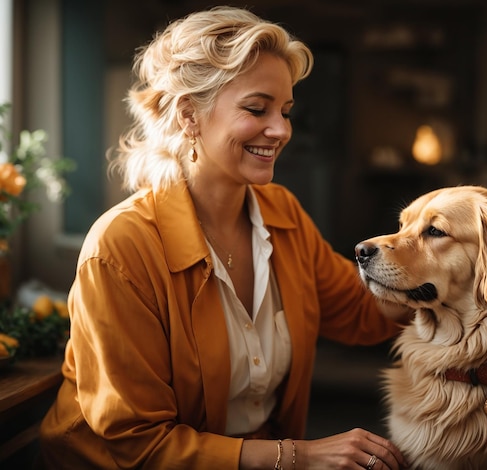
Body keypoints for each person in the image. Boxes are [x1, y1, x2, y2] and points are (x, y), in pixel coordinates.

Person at [39, 6, 412, 469]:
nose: (280, 130)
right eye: (257, 109)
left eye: (285, 111)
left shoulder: (283, 213)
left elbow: (362, 310)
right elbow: (135, 442)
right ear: (189, 115)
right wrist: (299, 456)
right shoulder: (120, 248)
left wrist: (456, 272)